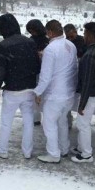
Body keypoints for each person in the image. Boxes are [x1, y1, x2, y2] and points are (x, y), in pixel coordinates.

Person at [0, 13, 40, 159]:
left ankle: (2, 151)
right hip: (29, 88)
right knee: (28, 122)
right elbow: (37, 66)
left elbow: (0, 70)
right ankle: (27, 151)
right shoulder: (30, 42)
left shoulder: (2, 45)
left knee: (6, 122)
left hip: (12, 89)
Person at [34, 20, 78, 163]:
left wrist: (38, 92)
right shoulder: (71, 45)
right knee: (62, 121)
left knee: (49, 123)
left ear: (50, 32)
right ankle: (64, 149)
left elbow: (45, 75)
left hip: (55, 94)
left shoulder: (51, 49)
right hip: (69, 92)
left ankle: (53, 154)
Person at [71, 22, 95, 163]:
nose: (84, 36)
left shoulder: (90, 55)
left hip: (91, 94)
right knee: (83, 123)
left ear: (90, 35)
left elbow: (87, 80)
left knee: (83, 124)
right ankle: (81, 147)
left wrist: (82, 104)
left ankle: (86, 154)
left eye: (85, 33)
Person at [26, 19, 49, 126]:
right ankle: (36, 117)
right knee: (35, 94)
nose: (32, 33)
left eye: (33, 30)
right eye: (30, 31)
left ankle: (39, 116)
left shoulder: (46, 40)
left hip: (42, 69)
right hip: (35, 69)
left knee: (40, 93)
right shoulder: (34, 40)